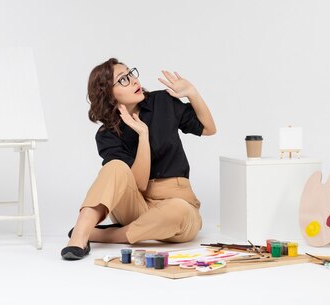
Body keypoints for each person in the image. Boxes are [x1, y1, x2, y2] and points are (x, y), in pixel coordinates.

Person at [61, 58, 217, 260]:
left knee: (180, 211)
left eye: (131, 73)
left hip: (177, 204)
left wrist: (192, 93)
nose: (133, 80)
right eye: (123, 79)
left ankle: (104, 234)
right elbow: (140, 185)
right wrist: (143, 136)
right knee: (115, 166)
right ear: (108, 94)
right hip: (135, 205)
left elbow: (208, 129)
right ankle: (80, 234)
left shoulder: (162, 102)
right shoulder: (106, 135)